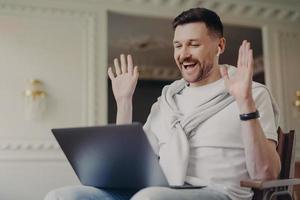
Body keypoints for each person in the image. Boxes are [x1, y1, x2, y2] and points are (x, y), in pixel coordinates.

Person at [44, 7, 281, 200]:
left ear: (219, 46)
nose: (183, 54)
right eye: (178, 45)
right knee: (61, 196)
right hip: (159, 189)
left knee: (149, 198)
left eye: (193, 44)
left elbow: (267, 174)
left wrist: (245, 103)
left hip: (219, 192)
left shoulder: (253, 93)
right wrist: (124, 103)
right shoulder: (167, 100)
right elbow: (129, 163)